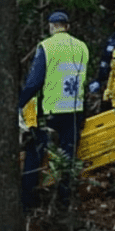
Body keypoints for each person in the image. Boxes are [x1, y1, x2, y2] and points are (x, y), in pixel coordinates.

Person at [18, 11, 89, 210]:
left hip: (51, 111)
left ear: (51, 27)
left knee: (35, 152)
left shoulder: (47, 47)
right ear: (68, 26)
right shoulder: (82, 47)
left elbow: (34, 82)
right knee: (68, 156)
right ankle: (64, 201)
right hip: (75, 110)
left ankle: (28, 203)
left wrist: (20, 103)